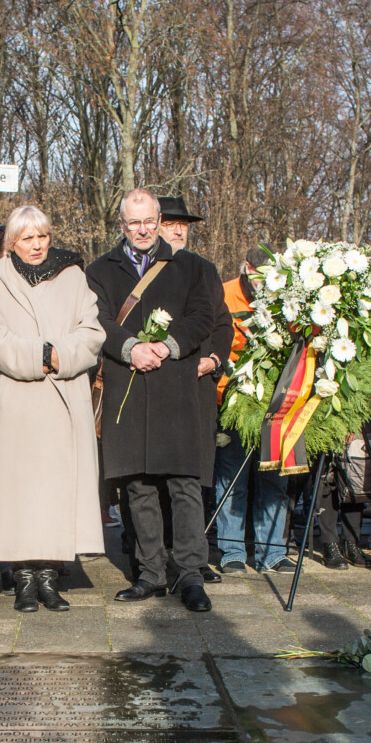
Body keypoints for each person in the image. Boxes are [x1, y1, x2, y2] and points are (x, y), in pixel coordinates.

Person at [89, 189, 220, 611]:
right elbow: (96, 321)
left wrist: (167, 346)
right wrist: (131, 349)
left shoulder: (192, 266)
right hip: (126, 388)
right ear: (122, 225)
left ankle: (190, 574)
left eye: (149, 221)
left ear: (160, 220)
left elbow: (204, 316)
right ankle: (150, 574)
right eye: (134, 223)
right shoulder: (100, 270)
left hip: (176, 387)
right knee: (138, 486)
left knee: (184, 485)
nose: (143, 230)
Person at [0, 206, 104, 612]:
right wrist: (40, 356)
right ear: (12, 242)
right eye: (27, 238)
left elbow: (92, 331)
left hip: (63, 397)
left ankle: (49, 576)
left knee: (55, 492)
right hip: (16, 400)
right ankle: (23, 578)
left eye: (42, 236)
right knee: (19, 493)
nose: (37, 245)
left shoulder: (73, 275)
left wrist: (61, 356)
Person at [159, 195, 229, 581]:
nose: (178, 230)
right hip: (155, 383)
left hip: (198, 383)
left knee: (196, 476)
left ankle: (193, 559)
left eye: (183, 224)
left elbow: (222, 324)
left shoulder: (204, 268)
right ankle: (155, 558)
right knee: (156, 477)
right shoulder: (143, 269)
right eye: (170, 223)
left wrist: (215, 359)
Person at [213, 247, 289, 573]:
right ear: (247, 267)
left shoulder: (286, 297)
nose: (267, 282)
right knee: (232, 477)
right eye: (261, 275)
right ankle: (231, 551)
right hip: (234, 399)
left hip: (276, 401)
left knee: (274, 479)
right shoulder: (225, 294)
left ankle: (273, 553)